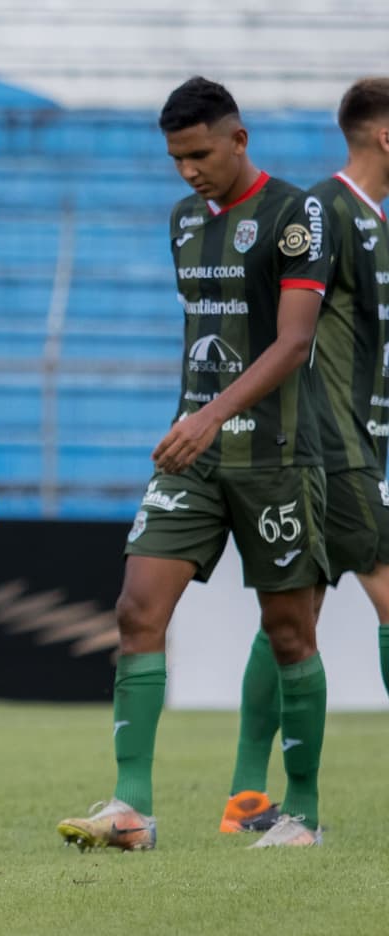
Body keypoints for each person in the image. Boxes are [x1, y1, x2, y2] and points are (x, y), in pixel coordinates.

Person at [56, 77, 332, 851]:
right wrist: (198, 420)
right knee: (136, 610)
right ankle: (131, 808)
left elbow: (294, 342)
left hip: (275, 455)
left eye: (200, 154)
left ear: (239, 139)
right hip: (194, 453)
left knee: (287, 632)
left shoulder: (294, 215)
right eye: (176, 158)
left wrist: (212, 415)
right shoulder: (183, 221)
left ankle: (301, 810)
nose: (188, 171)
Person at [221, 77, 389, 834]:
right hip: (334, 445)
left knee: (293, 616)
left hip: (359, 438)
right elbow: (292, 334)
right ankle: (264, 795)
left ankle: (245, 795)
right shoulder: (324, 211)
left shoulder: (375, 218)